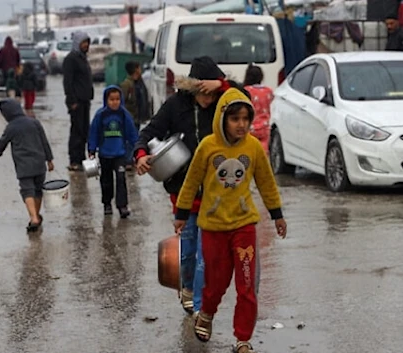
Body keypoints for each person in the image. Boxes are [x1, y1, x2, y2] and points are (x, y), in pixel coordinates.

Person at [174, 88, 287, 353]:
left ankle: (243, 339)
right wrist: (181, 215)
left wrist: (277, 214)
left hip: (244, 225)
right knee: (215, 283)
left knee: (246, 285)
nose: (242, 125)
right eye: (235, 119)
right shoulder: (208, 146)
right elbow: (191, 182)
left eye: (246, 119)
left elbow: (266, 182)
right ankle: (207, 313)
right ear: (223, 118)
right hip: (213, 228)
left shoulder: (253, 149)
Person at [134, 56, 249, 316]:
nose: (208, 99)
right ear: (192, 89)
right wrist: (141, 154)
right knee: (188, 252)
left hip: (216, 192)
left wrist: (221, 84)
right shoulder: (175, 106)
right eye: (203, 93)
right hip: (183, 193)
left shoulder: (223, 103)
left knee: (205, 256)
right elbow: (148, 132)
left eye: (212, 93)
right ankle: (186, 287)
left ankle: (199, 309)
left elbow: (244, 97)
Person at [0, 99, 54, 233]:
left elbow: (2, 142)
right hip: (39, 164)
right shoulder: (34, 122)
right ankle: (36, 215)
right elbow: (44, 142)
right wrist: (49, 159)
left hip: (23, 166)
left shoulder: (11, 127)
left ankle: (33, 218)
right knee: (38, 190)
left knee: (27, 190)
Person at [88, 86, 139, 218]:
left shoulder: (124, 115)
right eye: (111, 99)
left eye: (117, 99)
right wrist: (91, 150)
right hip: (104, 154)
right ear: (106, 100)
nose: (114, 102)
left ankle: (122, 205)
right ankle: (107, 204)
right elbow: (93, 133)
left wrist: (139, 149)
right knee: (106, 180)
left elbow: (132, 134)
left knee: (121, 179)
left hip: (120, 154)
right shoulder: (100, 115)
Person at [63, 31, 94, 172]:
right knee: (76, 130)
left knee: (84, 130)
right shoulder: (71, 59)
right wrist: (71, 100)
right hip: (76, 101)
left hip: (85, 100)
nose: (86, 45)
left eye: (87, 42)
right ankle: (74, 160)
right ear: (77, 43)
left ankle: (81, 158)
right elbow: (67, 82)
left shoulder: (83, 58)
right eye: (83, 42)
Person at [243, 64, 273, 153]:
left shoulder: (246, 91)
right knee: (263, 152)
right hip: (265, 127)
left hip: (249, 128)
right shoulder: (268, 91)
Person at [120, 61, 151, 132]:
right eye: (139, 68)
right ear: (136, 70)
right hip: (130, 118)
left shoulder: (140, 82)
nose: (141, 70)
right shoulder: (127, 84)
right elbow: (122, 101)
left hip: (138, 118)